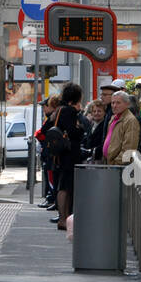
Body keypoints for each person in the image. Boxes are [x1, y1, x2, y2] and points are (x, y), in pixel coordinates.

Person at [51, 83, 85, 230]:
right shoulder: (69, 111)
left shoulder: (59, 110)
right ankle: (63, 218)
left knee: (63, 186)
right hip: (69, 155)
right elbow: (73, 132)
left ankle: (64, 217)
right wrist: (81, 128)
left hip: (61, 155)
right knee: (65, 187)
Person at [101, 91, 141, 166]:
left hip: (120, 167)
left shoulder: (130, 120)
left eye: (118, 103)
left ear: (127, 104)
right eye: (112, 103)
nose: (114, 105)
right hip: (110, 165)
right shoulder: (113, 118)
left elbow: (129, 149)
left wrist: (115, 163)